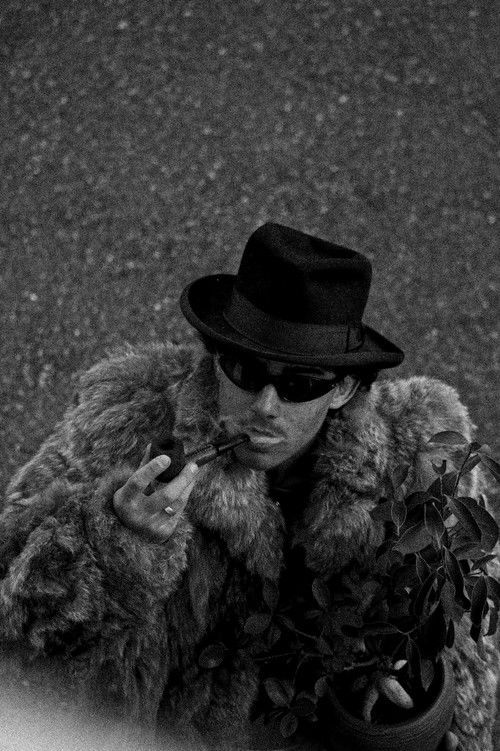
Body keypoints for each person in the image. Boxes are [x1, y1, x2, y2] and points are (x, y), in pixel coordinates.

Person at [0, 223, 497, 751]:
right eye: (244, 370)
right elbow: (14, 616)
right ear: (216, 358)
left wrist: (411, 688)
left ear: (343, 390)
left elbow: (467, 643)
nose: (265, 406)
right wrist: (114, 540)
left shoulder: (421, 461)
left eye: (299, 384)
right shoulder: (125, 422)